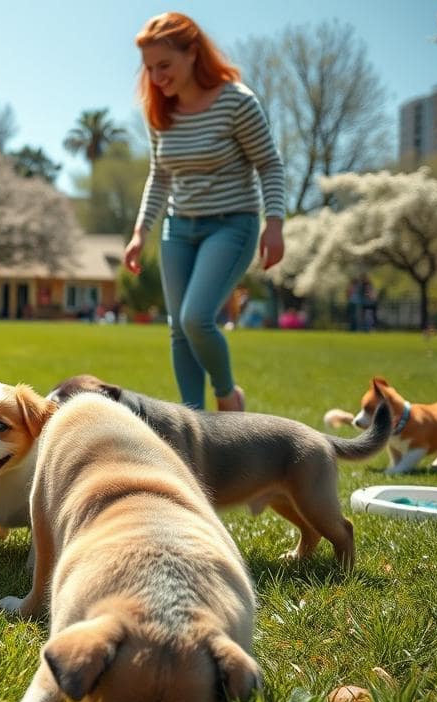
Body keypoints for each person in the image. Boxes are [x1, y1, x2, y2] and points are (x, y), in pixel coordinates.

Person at [124, 12, 285, 412]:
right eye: (149, 69)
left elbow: (269, 164)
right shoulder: (160, 111)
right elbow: (160, 175)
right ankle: (192, 421)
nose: (156, 78)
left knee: (196, 317)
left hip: (232, 224)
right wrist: (140, 231)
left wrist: (275, 224)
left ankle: (228, 396)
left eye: (165, 65)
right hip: (178, 227)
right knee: (178, 328)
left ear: (192, 53)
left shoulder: (236, 102)